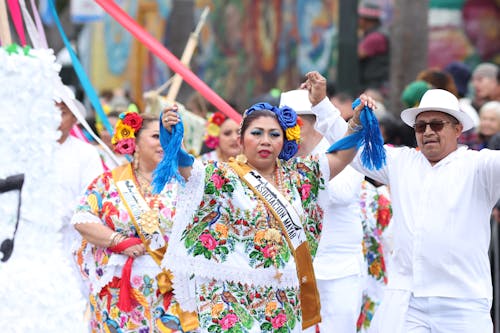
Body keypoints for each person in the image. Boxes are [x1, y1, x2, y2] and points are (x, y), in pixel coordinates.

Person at [159, 72, 378, 332]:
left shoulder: (300, 175)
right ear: (240, 140)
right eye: (257, 133)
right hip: (230, 298)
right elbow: (184, 164)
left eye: (274, 134)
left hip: (282, 300)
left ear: (285, 140)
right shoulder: (221, 175)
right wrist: (170, 135)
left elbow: (342, 155)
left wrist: (355, 121)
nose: (265, 140)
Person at [312, 88, 500, 332]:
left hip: (463, 302)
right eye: (421, 127)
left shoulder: (480, 166)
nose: (428, 132)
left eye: (436, 124)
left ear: (457, 129)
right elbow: (353, 152)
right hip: (408, 301)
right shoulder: (402, 162)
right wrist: (322, 106)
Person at [71, 109, 198, 332]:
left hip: (171, 290)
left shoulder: (183, 182)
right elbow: (82, 218)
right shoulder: (109, 181)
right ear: (135, 142)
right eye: (156, 136)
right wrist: (116, 240)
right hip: (120, 291)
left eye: (167, 137)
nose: (163, 142)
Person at [280, 89, 365, 333]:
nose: (287, 131)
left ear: (313, 121)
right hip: (294, 270)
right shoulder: (282, 158)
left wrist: (302, 170)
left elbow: (342, 193)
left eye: (293, 122)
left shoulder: (342, 148)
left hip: (339, 269)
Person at [357, 0, 390, 93]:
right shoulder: (371, 34)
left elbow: (357, 55)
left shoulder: (375, 37)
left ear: (364, 19)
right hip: (371, 85)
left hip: (375, 88)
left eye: (359, 17)